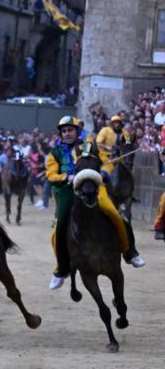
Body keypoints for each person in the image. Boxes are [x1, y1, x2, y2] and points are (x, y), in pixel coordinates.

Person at [45, 116, 144, 291]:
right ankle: (61, 269)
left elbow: (107, 163)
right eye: (64, 131)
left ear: (77, 131)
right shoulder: (56, 152)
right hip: (68, 191)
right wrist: (67, 177)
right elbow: (50, 175)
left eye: (70, 130)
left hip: (94, 186)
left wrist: (104, 173)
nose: (67, 134)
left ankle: (130, 252)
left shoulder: (90, 146)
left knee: (113, 213)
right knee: (58, 230)